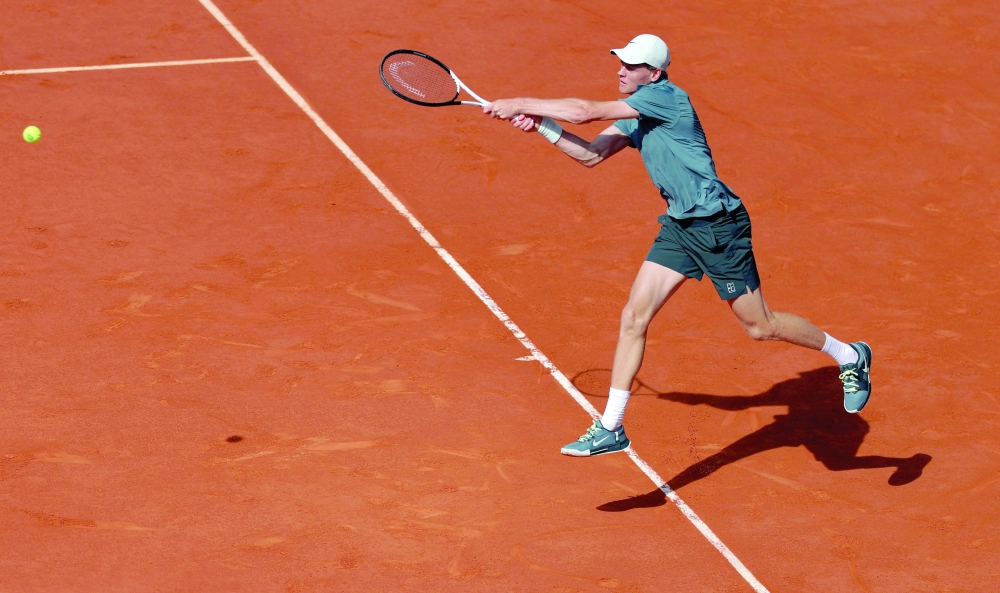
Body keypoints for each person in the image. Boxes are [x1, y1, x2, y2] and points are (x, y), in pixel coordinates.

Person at [485, 34, 872, 457]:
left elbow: (585, 112)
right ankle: (611, 427)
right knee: (633, 317)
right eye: (620, 62)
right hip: (680, 227)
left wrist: (519, 101)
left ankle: (849, 355)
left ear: (653, 73)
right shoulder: (636, 113)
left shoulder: (664, 98)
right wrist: (541, 125)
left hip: (719, 226)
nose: (621, 70)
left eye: (631, 66)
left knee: (760, 327)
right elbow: (592, 155)